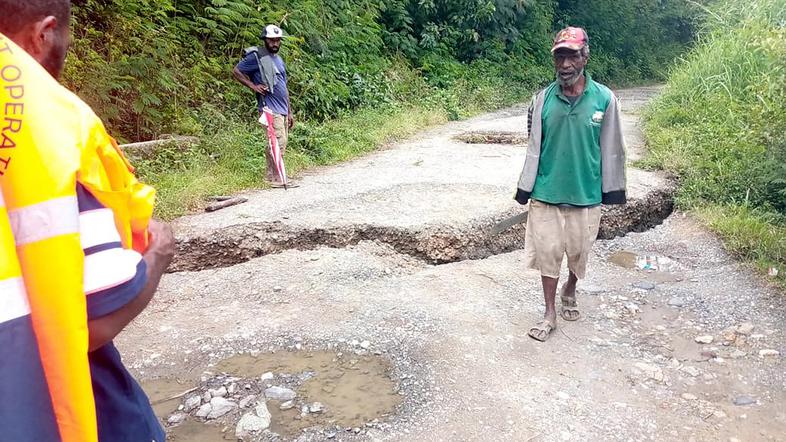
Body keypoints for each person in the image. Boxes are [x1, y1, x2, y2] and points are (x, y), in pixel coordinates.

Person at [0, 1, 174, 441]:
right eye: (65, 38)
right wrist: (157, 254)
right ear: (43, 34)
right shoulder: (51, 127)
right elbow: (94, 324)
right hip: (62, 408)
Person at [515, 27, 627, 342]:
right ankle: (549, 312)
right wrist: (526, 188)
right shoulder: (541, 100)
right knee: (548, 253)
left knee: (579, 253)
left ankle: (571, 287)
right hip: (546, 192)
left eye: (572, 56)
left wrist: (612, 191)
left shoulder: (605, 99)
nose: (565, 64)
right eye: (560, 57)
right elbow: (533, 145)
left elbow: (613, 148)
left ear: (585, 57)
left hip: (586, 193)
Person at [232, 24, 296, 188]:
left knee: (278, 142)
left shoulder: (278, 60)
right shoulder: (257, 57)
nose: (275, 43)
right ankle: (277, 177)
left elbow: (284, 87)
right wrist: (253, 86)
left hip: (282, 108)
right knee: (278, 142)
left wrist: (289, 112)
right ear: (265, 40)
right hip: (269, 108)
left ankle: (271, 175)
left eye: (277, 40)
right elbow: (236, 71)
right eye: (271, 40)